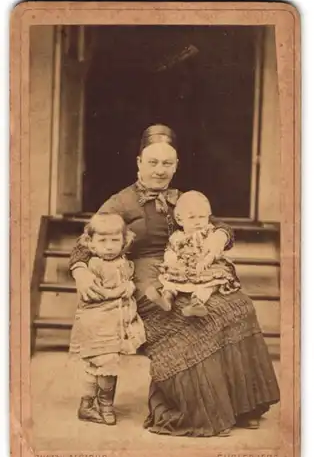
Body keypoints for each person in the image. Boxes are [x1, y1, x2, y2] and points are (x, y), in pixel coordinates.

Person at [69, 123, 280, 437]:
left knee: (237, 304)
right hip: (144, 280)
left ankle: (242, 404)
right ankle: (192, 411)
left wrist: (217, 238)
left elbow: (219, 225)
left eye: (167, 163)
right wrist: (81, 271)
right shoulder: (121, 202)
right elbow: (83, 244)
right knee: (188, 319)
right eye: (152, 162)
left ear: (177, 165)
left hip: (188, 271)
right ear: (139, 162)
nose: (159, 170)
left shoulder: (182, 198)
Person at [70, 213, 146, 425]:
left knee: (101, 365)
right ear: (91, 243)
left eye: (115, 240)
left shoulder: (124, 262)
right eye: (102, 241)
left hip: (113, 323)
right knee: (102, 365)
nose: (109, 246)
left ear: (124, 241)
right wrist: (125, 288)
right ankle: (100, 405)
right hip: (97, 324)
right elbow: (99, 293)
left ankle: (94, 405)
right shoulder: (94, 265)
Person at [145, 190, 241, 317]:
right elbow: (171, 249)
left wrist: (207, 261)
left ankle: (197, 303)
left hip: (206, 267)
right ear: (179, 220)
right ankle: (166, 299)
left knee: (207, 286)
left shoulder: (209, 232)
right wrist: (171, 260)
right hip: (184, 268)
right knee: (169, 282)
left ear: (208, 216)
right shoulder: (177, 237)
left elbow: (213, 250)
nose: (197, 222)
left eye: (202, 217)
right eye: (192, 217)